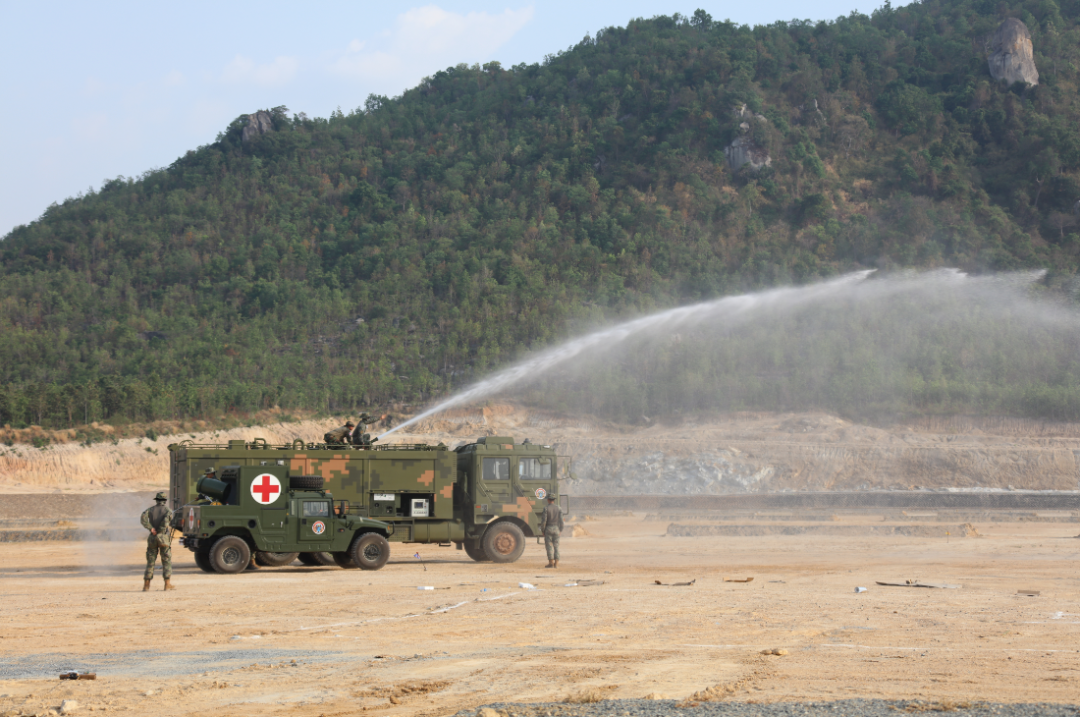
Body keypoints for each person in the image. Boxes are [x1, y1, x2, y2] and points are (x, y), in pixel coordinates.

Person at [140, 492, 174, 591]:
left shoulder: (150, 510)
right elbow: (166, 522)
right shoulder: (168, 511)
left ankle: (146, 585)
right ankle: (167, 584)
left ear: (157, 500)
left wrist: (151, 529)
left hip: (152, 538)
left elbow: (143, 519)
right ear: (165, 501)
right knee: (166, 561)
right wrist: (159, 530)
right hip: (163, 538)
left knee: (150, 562)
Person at [540, 494, 564, 568]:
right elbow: (561, 521)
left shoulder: (546, 508)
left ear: (548, 499)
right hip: (556, 529)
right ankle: (556, 564)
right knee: (556, 546)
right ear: (554, 500)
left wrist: (543, 530)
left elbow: (544, 521)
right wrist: (560, 530)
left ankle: (551, 563)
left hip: (548, 529)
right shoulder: (559, 508)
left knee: (549, 546)